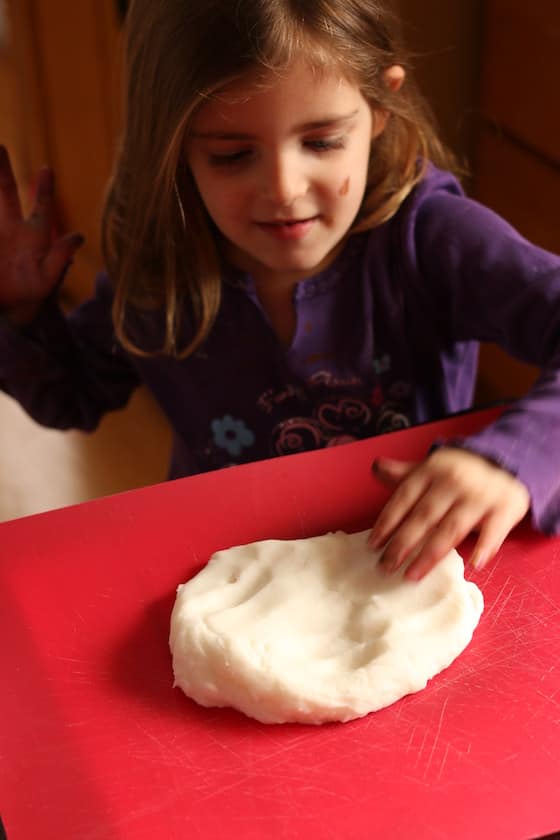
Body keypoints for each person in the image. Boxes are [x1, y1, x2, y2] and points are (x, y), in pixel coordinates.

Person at [0, 0, 558, 582]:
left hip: (400, 571)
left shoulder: (432, 240)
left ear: (378, 106)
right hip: (229, 579)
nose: (284, 190)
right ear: (173, 144)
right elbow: (73, 395)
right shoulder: (162, 273)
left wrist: (515, 461)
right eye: (232, 155)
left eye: (321, 142)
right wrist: (21, 315)